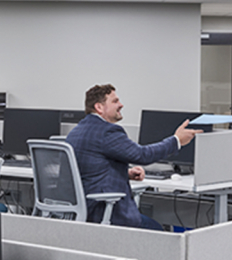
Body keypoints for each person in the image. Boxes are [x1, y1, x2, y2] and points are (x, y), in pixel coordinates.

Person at [66, 84, 199, 230]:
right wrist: (176, 141)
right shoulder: (108, 131)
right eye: (115, 101)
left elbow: (88, 168)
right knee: (161, 231)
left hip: (84, 211)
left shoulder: (76, 132)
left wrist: (126, 172)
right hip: (106, 213)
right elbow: (142, 155)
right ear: (99, 107)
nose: (121, 104)